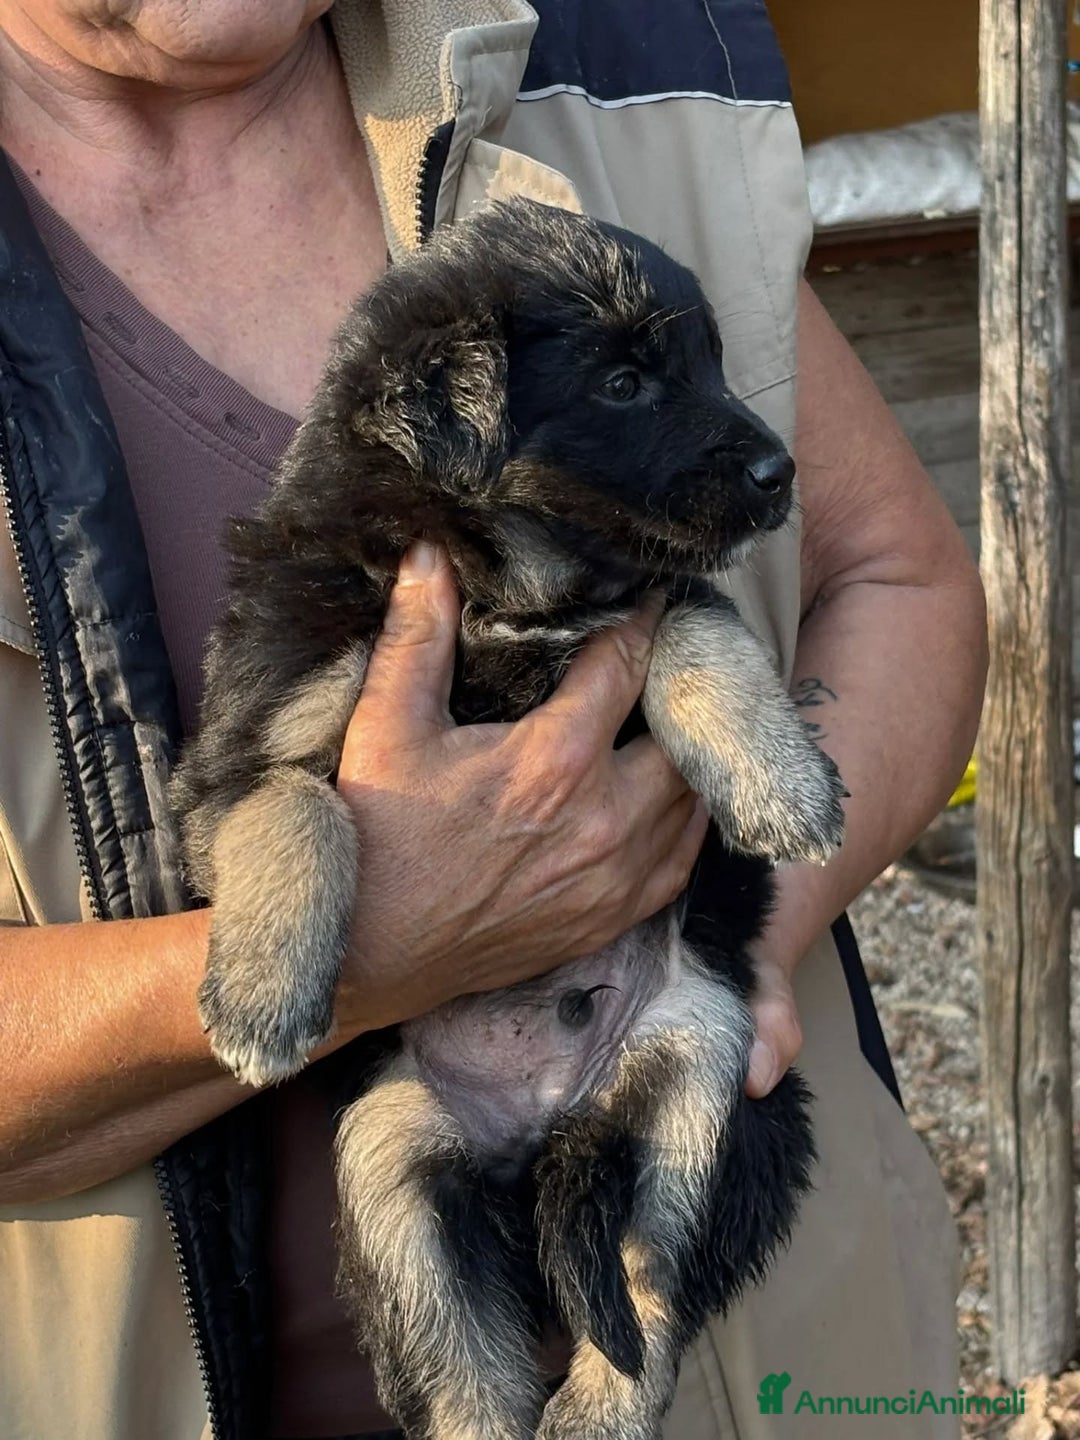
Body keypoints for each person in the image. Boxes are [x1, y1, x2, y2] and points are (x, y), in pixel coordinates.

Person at [0, 3, 987, 1438]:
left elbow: (900, 575)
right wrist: (382, 948)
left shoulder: (600, 73)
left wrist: (726, 929)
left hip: (755, 1373)